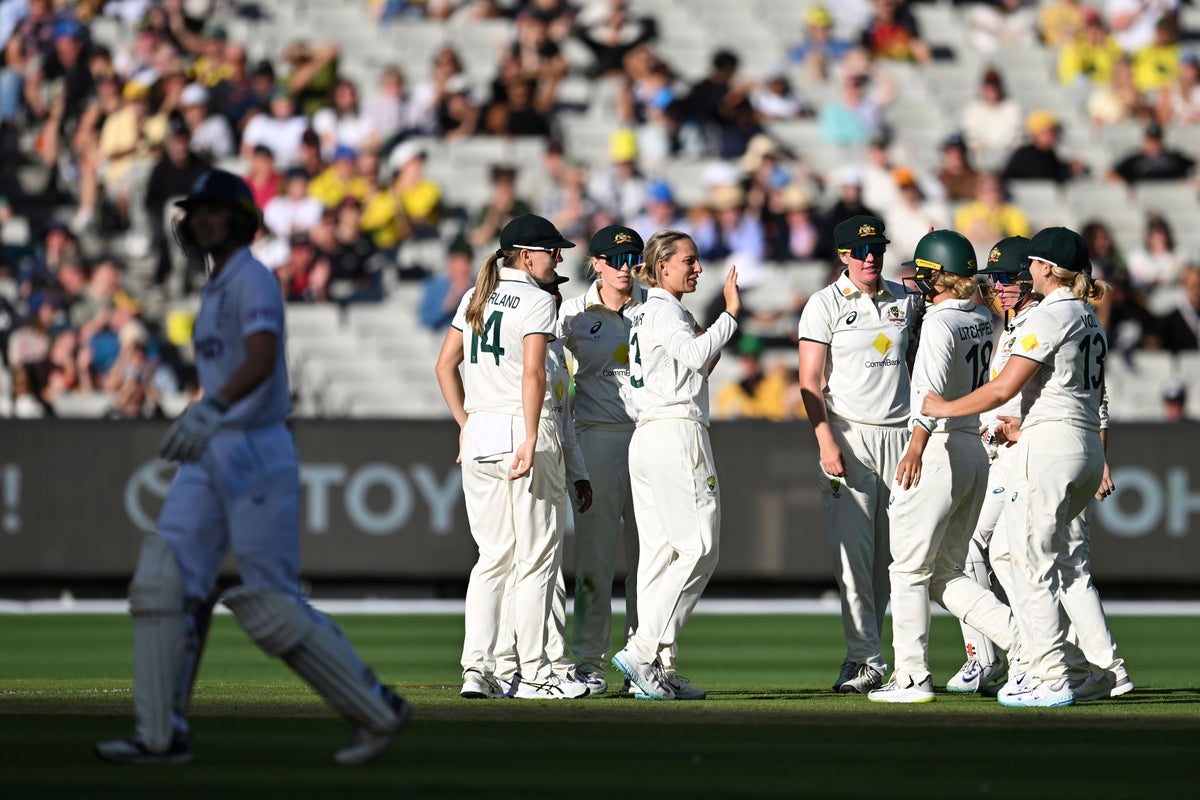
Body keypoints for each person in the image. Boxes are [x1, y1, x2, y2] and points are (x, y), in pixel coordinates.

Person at [94, 170, 408, 766]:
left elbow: (262, 358)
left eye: (217, 211)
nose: (204, 220)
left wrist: (211, 406)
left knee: (270, 602)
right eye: (198, 213)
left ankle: (376, 708)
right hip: (217, 445)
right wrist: (204, 408)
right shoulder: (216, 286)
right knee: (166, 583)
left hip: (256, 447)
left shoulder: (252, 279)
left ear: (240, 218)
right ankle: (160, 736)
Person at [923, 227, 1111, 707]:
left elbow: (1003, 389)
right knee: (1013, 553)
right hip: (1083, 447)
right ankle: (1070, 666)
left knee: (1031, 562)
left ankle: (1047, 676)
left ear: (1046, 268)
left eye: (1031, 263)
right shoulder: (1086, 313)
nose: (1025, 271)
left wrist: (942, 409)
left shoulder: (1052, 314)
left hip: (1049, 447)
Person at [434, 213, 589, 701]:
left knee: (491, 559)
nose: (558, 258)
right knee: (537, 559)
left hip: (480, 431)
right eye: (551, 251)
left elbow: (444, 366)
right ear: (526, 255)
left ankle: (478, 670)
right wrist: (527, 435)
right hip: (526, 428)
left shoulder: (475, 295)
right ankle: (534, 673)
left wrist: (465, 426)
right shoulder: (538, 300)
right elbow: (533, 376)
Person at [867, 230, 1018, 703]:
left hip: (939, 447)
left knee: (908, 570)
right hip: (973, 449)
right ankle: (1030, 645)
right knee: (947, 573)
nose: (919, 283)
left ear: (941, 278)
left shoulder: (939, 323)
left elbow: (929, 397)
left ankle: (911, 677)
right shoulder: (977, 315)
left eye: (926, 274)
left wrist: (914, 449)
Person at [611, 230, 740, 701]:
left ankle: (653, 668)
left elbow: (688, 365)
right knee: (700, 546)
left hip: (647, 434)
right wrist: (730, 316)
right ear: (661, 265)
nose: (698, 268)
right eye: (689, 260)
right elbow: (693, 354)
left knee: (660, 555)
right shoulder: (664, 309)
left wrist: (708, 343)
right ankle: (644, 651)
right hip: (676, 431)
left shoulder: (645, 312)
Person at [796, 215, 917, 694]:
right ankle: (863, 656)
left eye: (877, 249)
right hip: (850, 435)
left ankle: (894, 658)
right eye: (861, 250)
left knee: (896, 558)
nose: (871, 257)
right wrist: (826, 440)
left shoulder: (906, 300)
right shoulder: (823, 304)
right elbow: (809, 381)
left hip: (904, 438)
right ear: (843, 255)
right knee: (853, 559)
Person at [556, 225, 648, 694]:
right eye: (617, 259)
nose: (627, 267)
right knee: (595, 558)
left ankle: (646, 662)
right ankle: (589, 663)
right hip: (594, 439)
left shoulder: (656, 306)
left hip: (650, 438)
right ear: (596, 264)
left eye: (633, 257)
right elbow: (543, 363)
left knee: (649, 557)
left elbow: (698, 356)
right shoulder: (572, 312)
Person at [944, 235, 1035, 695]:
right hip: (999, 452)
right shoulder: (1010, 324)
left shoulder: (1041, 320)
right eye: (992, 279)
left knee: (996, 550)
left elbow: (1076, 394)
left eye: (1006, 279)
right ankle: (994, 655)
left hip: (1025, 454)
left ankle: (1026, 654)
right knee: (979, 548)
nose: (997, 287)